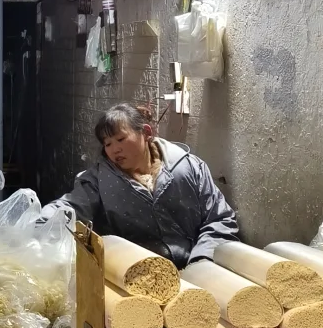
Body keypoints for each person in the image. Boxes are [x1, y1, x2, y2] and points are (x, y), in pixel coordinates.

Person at [65, 103, 239, 267]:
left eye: (120, 139)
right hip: (135, 275)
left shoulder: (188, 167)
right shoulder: (99, 180)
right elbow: (70, 207)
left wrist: (201, 262)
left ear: (146, 132)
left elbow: (219, 219)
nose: (114, 149)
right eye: (107, 144)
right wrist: (50, 221)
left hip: (197, 269)